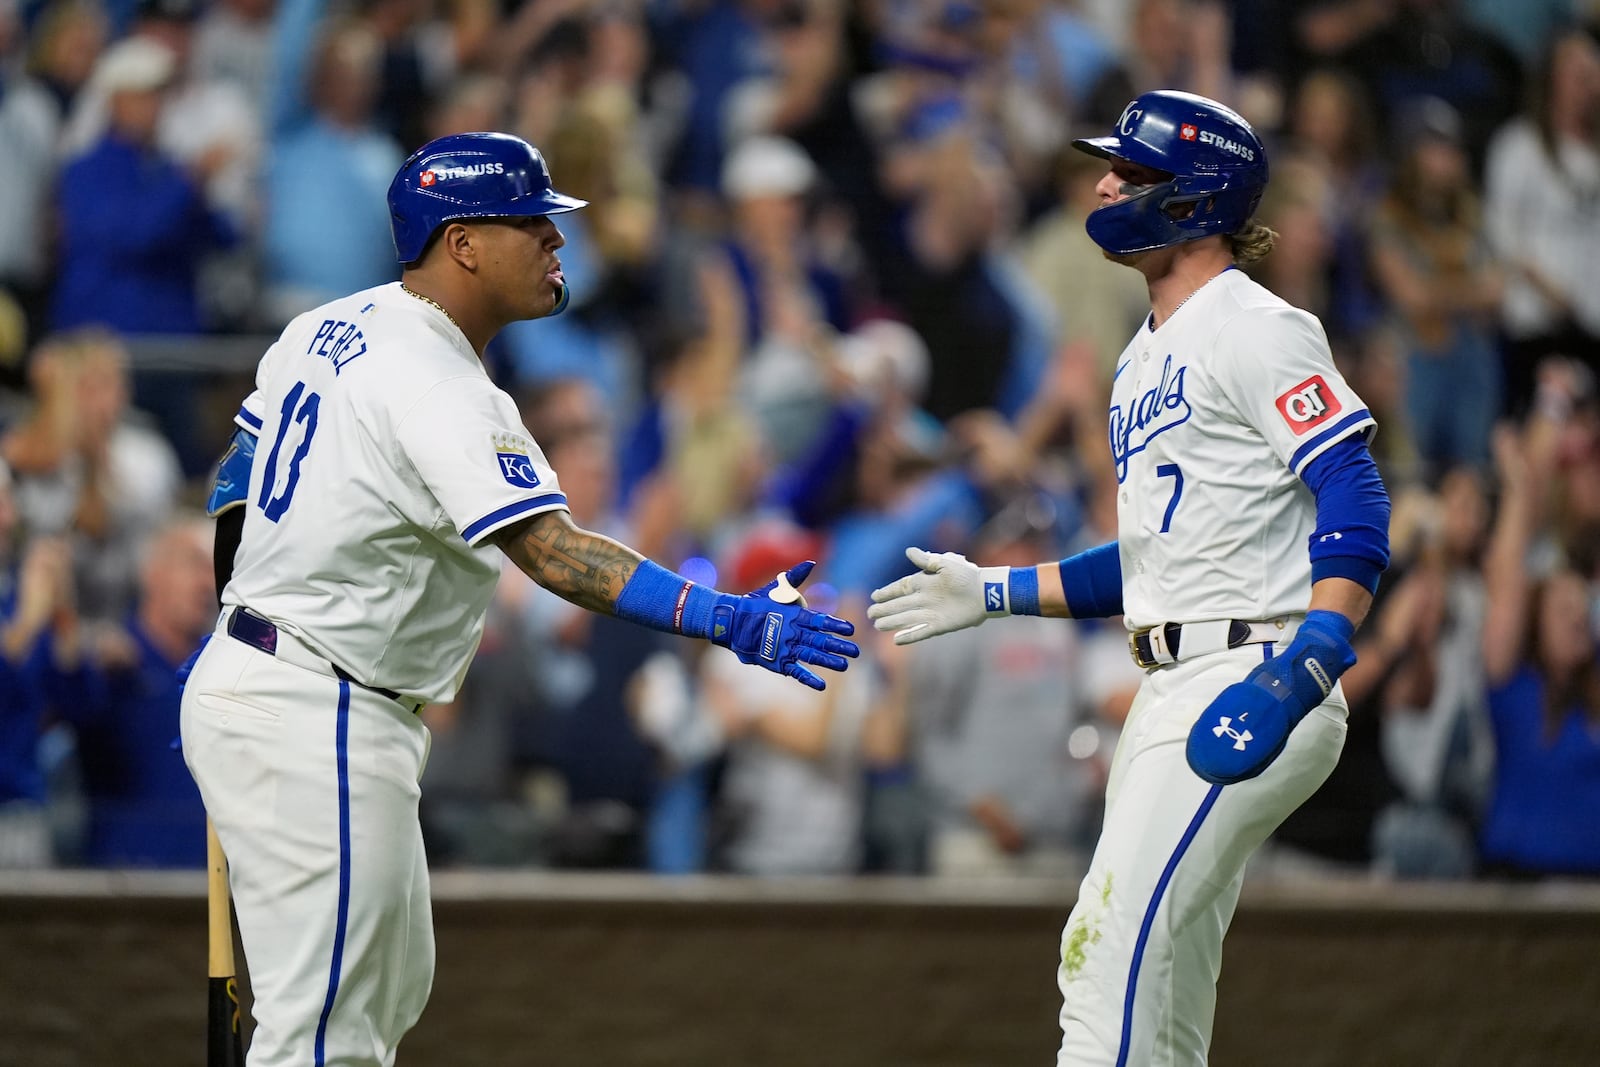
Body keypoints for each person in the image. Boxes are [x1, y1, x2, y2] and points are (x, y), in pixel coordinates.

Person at [179, 131, 859, 1066]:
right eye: (532, 223)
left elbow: (237, 478)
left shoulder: (325, 325)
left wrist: (233, 624)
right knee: (325, 1033)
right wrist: (726, 616)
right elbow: (551, 551)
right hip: (317, 704)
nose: (556, 240)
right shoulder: (442, 384)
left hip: (285, 683)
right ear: (462, 243)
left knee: (384, 989)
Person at [867, 90, 1391, 1065]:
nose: (1104, 184)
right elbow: (1153, 558)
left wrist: (1315, 654)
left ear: (1194, 199)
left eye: (1130, 172)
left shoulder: (1254, 323)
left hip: (1252, 665)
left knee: (1104, 952)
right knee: (1162, 989)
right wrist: (991, 590)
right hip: (1171, 674)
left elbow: (1353, 488)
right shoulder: (1142, 352)